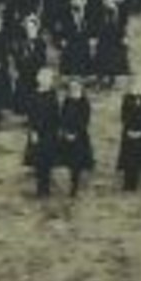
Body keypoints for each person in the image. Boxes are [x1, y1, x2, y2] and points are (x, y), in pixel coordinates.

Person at [26, 68, 62, 198]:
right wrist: (33, 132)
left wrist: (57, 131)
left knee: (47, 161)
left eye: (49, 79)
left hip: (49, 133)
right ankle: (40, 188)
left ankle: (46, 188)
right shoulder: (33, 95)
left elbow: (56, 114)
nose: (47, 82)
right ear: (39, 80)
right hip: (36, 132)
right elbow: (31, 115)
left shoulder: (52, 95)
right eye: (44, 79)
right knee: (38, 161)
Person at [116, 77, 141, 191]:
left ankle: (139, 182)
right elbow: (124, 117)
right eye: (134, 87)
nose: (137, 89)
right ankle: (128, 183)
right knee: (128, 159)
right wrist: (130, 130)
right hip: (129, 134)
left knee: (140, 159)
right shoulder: (127, 99)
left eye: (139, 87)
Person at [58, 77, 95, 196]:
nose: (74, 89)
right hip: (67, 135)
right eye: (72, 87)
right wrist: (65, 132)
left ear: (81, 88)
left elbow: (85, 120)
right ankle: (68, 180)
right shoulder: (67, 101)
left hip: (79, 137)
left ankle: (75, 184)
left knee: (77, 162)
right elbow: (62, 117)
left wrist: (75, 134)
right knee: (66, 160)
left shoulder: (84, 102)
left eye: (76, 87)